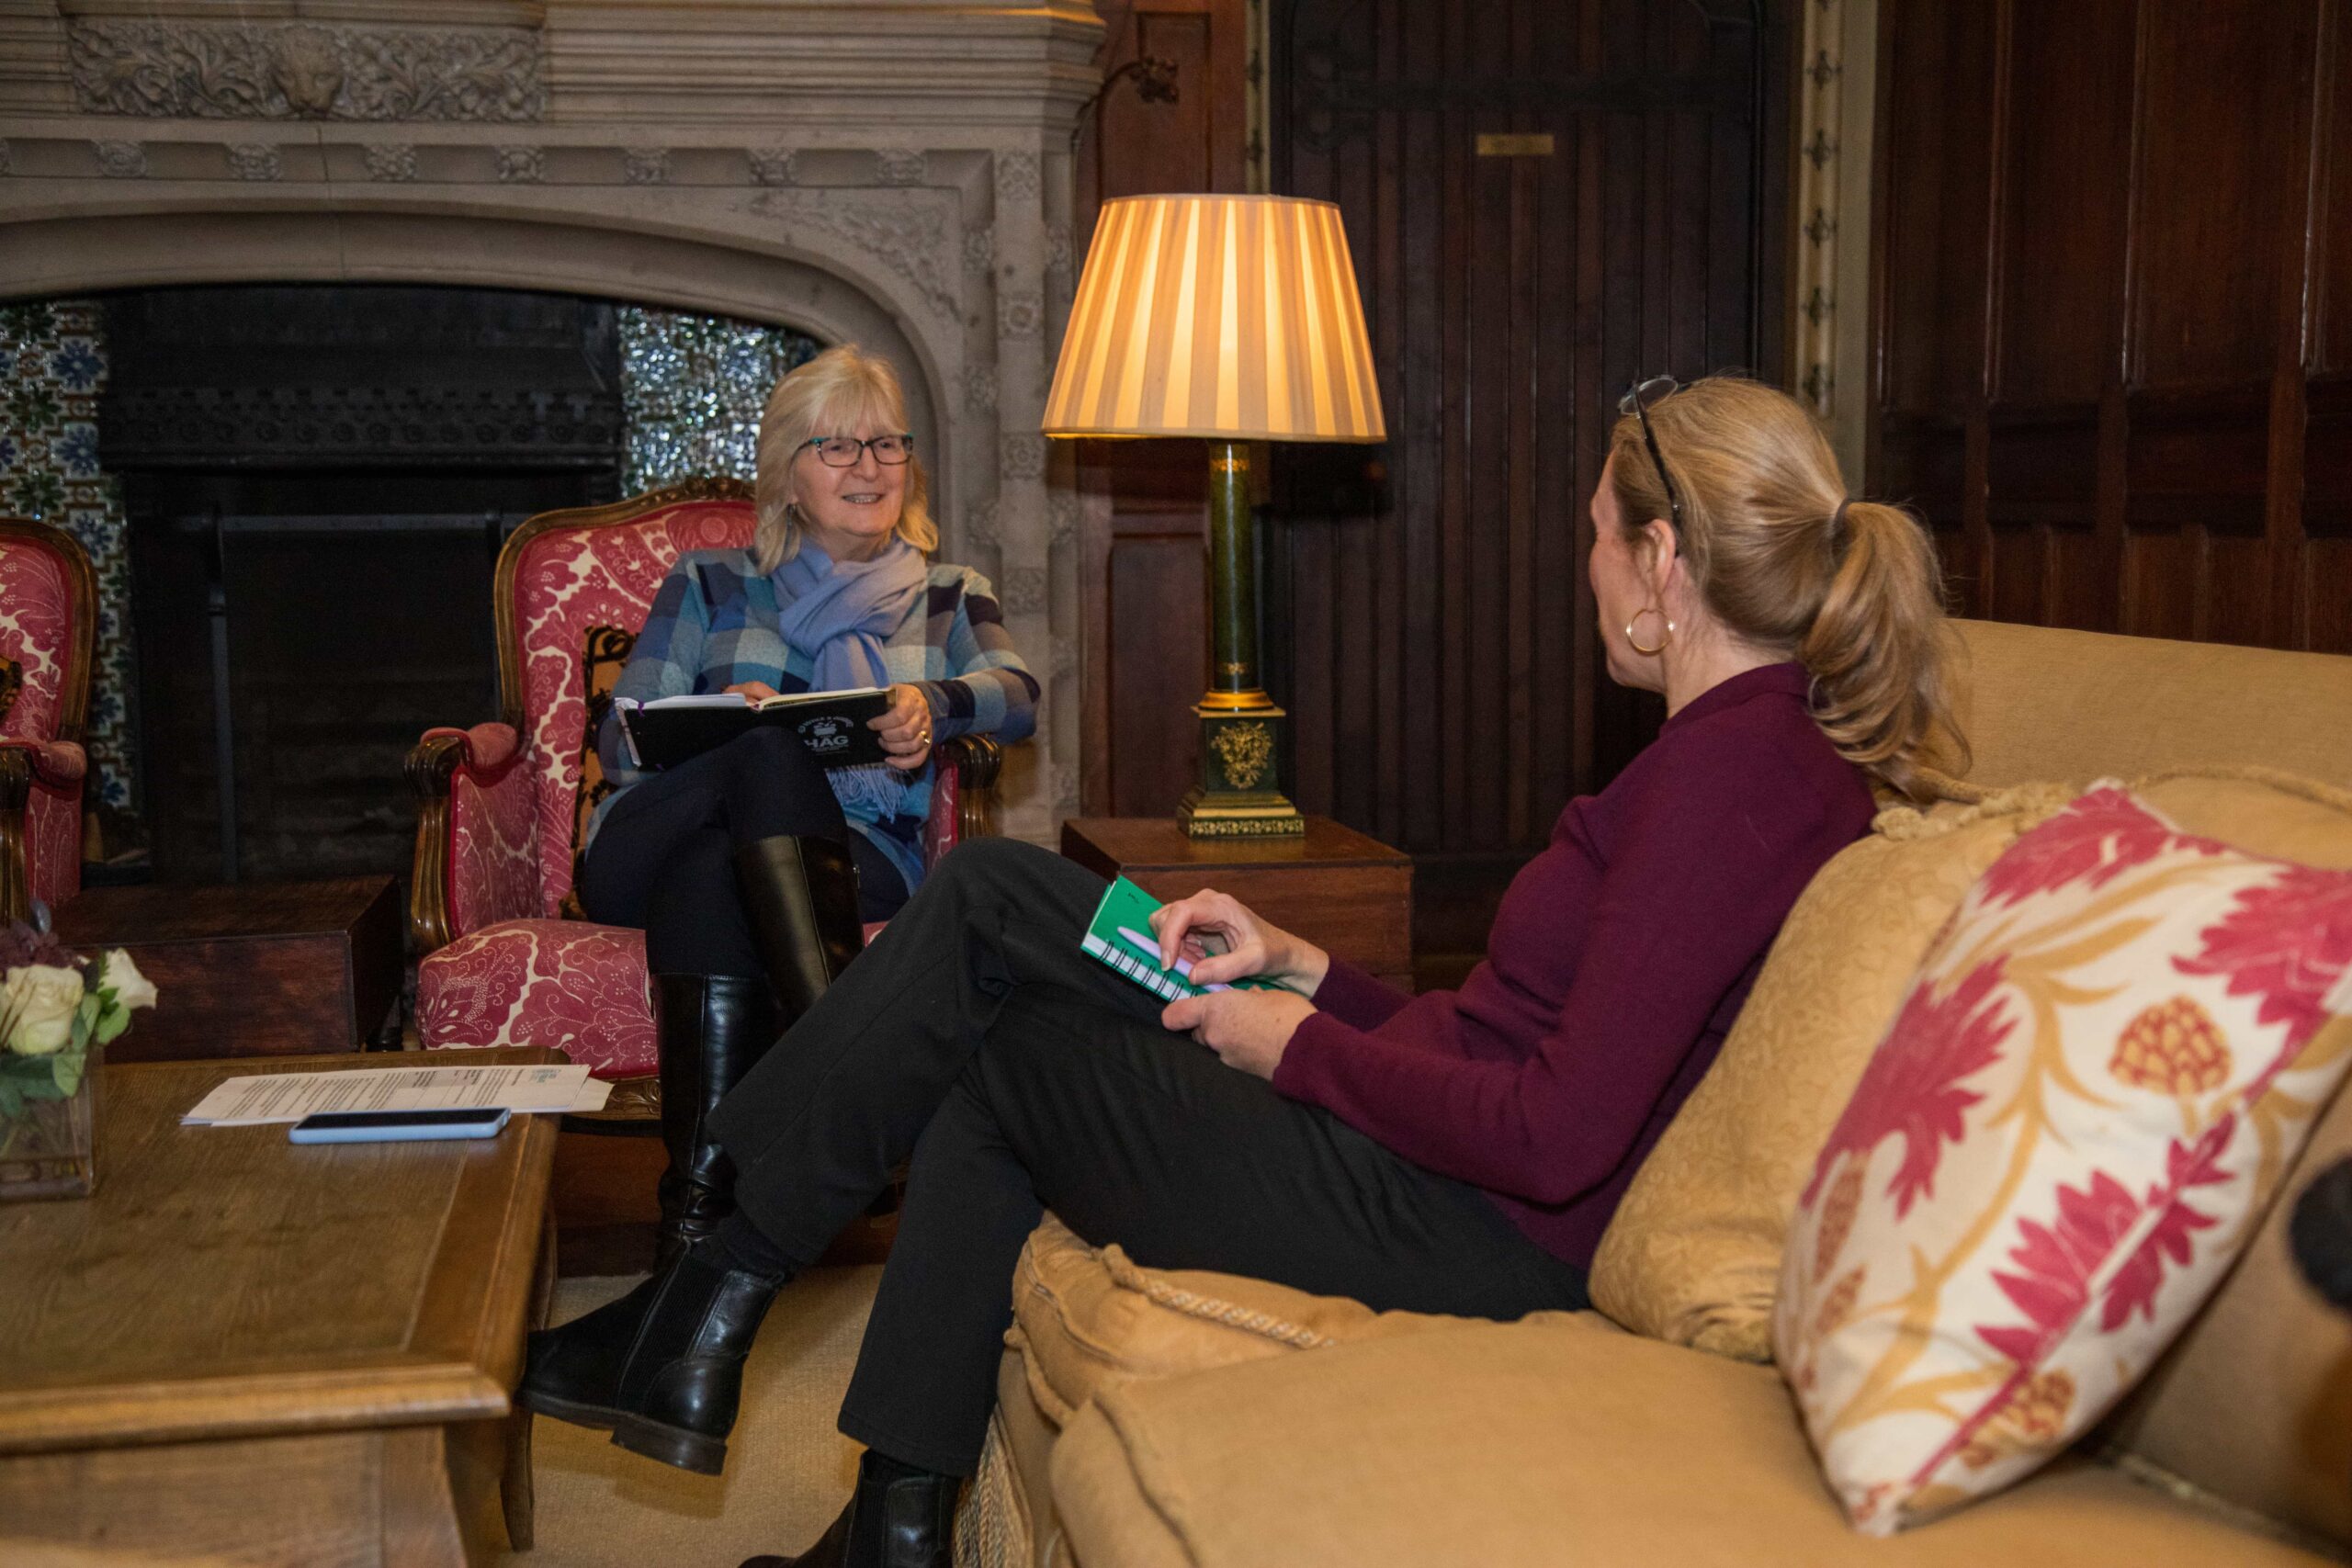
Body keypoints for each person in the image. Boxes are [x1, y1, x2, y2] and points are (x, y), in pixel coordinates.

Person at [520, 374, 1964, 1568]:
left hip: (1477, 1229)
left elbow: (1557, 1130)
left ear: (1661, 566)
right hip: (1448, 1179)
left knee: (989, 909)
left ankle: (714, 1291)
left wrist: (1294, 1048)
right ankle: (868, 1500)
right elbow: (1507, 1037)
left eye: (1594, 534)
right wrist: (1308, 969)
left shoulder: (1730, 781)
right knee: (994, 956)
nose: (1584, 565)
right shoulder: (1743, 757)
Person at [575, 344, 1037, 1260]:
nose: (869, 466)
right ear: (788, 474)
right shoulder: (711, 581)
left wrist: (933, 705)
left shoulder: (949, 595)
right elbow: (621, 742)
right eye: (837, 446)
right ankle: (850, 1083)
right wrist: (719, 724)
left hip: (854, 860)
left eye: (887, 444)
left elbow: (1018, 694)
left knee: (714, 872)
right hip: (642, 848)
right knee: (762, 750)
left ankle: (696, 1226)